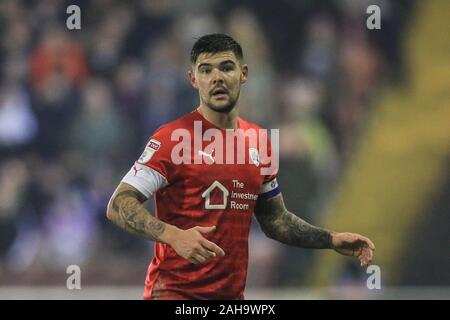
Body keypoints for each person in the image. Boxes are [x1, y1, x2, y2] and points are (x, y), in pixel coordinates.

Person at [106, 33, 375, 300]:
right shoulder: (172, 139)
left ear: (243, 74)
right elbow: (119, 204)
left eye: (226, 67)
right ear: (192, 79)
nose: (217, 78)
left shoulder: (258, 141)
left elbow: (275, 221)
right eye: (206, 70)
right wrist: (173, 235)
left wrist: (330, 240)